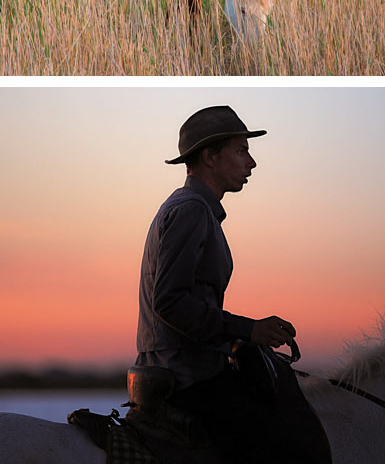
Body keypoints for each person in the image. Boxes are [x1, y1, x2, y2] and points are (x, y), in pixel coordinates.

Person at [134, 105, 331, 463]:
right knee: (289, 448)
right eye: (242, 151)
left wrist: (242, 336)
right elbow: (171, 302)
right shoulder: (192, 209)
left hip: (182, 368)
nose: (251, 163)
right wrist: (249, 330)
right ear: (210, 156)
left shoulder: (193, 208)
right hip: (185, 376)